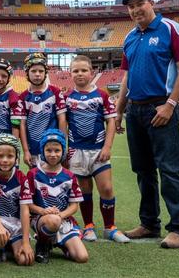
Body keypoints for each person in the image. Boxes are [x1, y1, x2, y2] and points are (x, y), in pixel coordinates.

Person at [115, 0, 179, 249]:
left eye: (139, 3)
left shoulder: (170, 28)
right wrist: (119, 110)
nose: (135, 9)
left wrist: (171, 104)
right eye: (130, 6)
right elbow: (126, 77)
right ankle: (149, 223)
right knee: (143, 170)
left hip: (160, 107)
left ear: (150, 3)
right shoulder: (129, 37)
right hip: (135, 110)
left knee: (169, 169)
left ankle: (178, 228)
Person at [65, 55, 129, 243]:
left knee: (107, 188)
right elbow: (64, 124)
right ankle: (88, 226)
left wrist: (108, 146)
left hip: (98, 150)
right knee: (85, 191)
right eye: (75, 71)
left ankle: (110, 227)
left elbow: (110, 122)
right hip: (76, 151)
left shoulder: (101, 95)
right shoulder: (67, 97)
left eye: (84, 70)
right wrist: (66, 150)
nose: (80, 74)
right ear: (70, 74)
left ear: (91, 72)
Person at [27, 129, 88, 264]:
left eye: (57, 150)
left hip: (62, 218)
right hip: (40, 218)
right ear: (42, 151)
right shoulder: (33, 174)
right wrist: (43, 211)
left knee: (82, 257)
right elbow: (27, 204)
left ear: (63, 152)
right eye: (48, 150)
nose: (53, 154)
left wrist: (61, 215)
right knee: (53, 221)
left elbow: (74, 206)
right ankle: (42, 245)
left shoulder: (69, 176)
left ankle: (59, 242)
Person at [0, 133, 35, 265]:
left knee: (24, 260)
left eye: (10, 156)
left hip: (16, 222)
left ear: (17, 158)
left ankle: (11, 244)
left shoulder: (22, 178)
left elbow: (25, 210)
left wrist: (26, 243)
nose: (5, 160)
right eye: (0, 156)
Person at [19, 53, 67, 168]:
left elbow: (62, 119)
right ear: (27, 73)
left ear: (45, 73)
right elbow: (22, 125)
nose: (37, 74)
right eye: (33, 71)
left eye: (41, 71)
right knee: (35, 181)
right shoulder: (23, 97)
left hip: (53, 148)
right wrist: (26, 151)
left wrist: (63, 144)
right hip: (33, 149)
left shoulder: (55, 92)